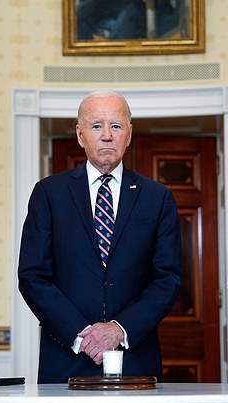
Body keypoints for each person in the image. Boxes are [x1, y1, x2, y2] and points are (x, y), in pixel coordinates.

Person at [18, 90, 182, 383]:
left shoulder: (158, 198)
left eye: (116, 126)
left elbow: (167, 279)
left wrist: (119, 329)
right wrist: (83, 336)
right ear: (80, 136)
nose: (107, 135)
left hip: (135, 360)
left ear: (129, 135)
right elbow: (33, 276)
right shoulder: (48, 194)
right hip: (66, 359)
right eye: (97, 126)